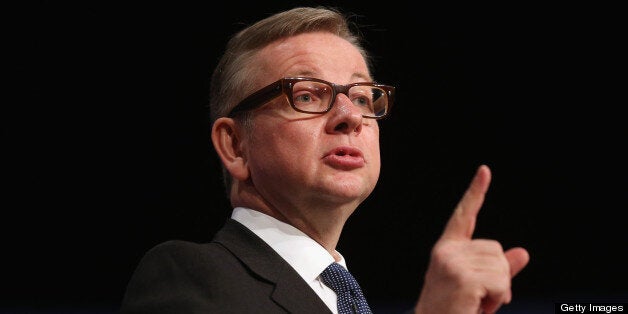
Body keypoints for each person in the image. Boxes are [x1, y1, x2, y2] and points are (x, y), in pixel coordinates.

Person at [120, 6, 530, 314]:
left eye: (363, 97)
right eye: (306, 95)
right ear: (235, 145)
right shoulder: (190, 277)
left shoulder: (342, 295)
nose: (350, 117)